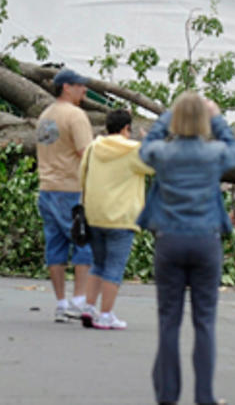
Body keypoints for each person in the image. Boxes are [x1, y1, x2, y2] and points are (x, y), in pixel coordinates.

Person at [138, 91, 235, 405]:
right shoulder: (214, 153)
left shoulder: (162, 153)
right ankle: (205, 396)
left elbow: (145, 147)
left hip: (169, 239)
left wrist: (169, 115)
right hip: (205, 239)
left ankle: (168, 395)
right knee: (205, 321)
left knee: (169, 320)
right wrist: (217, 117)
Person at [78, 108, 153, 329]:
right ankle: (106, 314)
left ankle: (89, 308)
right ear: (126, 128)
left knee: (98, 264)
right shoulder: (133, 150)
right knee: (114, 268)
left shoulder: (93, 147)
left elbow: (82, 175)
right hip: (121, 217)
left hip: (94, 214)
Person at [36, 67, 95, 323]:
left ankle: (61, 302)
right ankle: (79, 299)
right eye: (80, 85)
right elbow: (87, 154)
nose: (84, 90)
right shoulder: (76, 116)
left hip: (47, 187)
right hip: (70, 188)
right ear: (66, 87)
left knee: (56, 245)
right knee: (84, 243)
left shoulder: (45, 115)